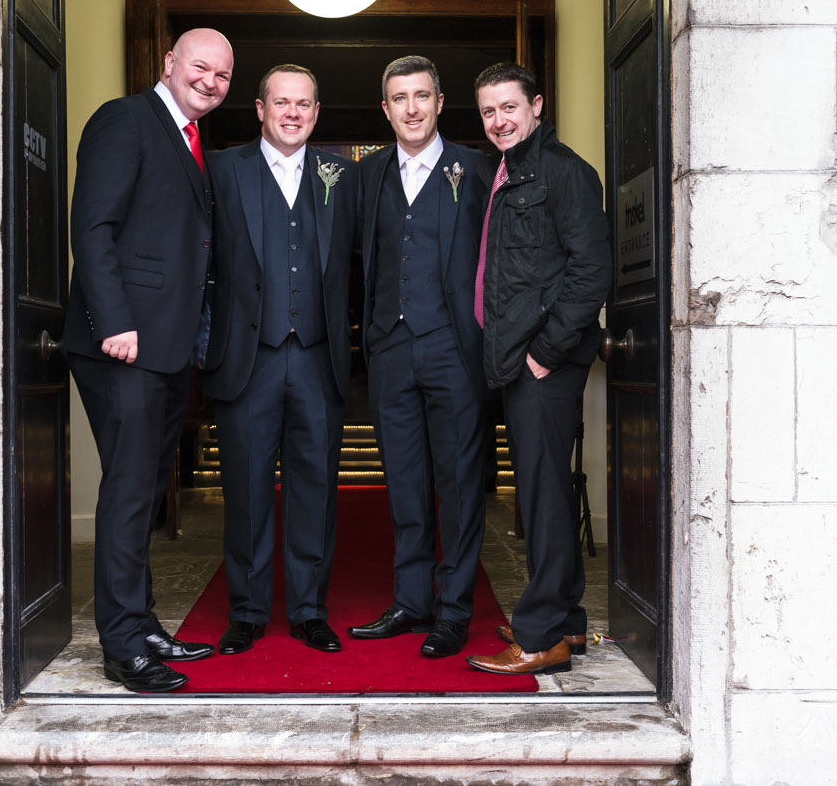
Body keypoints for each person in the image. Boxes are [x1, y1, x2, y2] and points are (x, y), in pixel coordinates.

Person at [60, 28, 233, 693]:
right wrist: (115, 322)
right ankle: (124, 647)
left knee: (146, 489)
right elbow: (92, 226)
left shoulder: (189, 139)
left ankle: (143, 622)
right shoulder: (125, 120)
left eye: (222, 75)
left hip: (166, 347)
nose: (210, 81)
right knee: (130, 492)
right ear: (169, 63)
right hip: (123, 344)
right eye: (200, 67)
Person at [199, 64, 360, 657]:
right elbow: (198, 256)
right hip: (247, 358)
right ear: (260, 109)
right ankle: (246, 612)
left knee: (315, 490)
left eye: (304, 104)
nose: (293, 113)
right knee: (245, 490)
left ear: (316, 113)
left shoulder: (344, 175)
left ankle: (309, 610)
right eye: (282, 102)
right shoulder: (221, 170)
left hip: (317, 359)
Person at [464, 61, 611, 677]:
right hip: (517, 359)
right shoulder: (508, 169)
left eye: (509, 107)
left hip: (542, 362)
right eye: (489, 111)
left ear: (536, 106)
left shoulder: (564, 172)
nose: (499, 120)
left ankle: (540, 638)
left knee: (543, 499)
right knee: (545, 490)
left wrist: (545, 353)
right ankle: (568, 623)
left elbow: (592, 271)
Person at [346, 55, 490, 659]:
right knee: (404, 483)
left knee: (458, 484)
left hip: (455, 348)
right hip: (390, 349)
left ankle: (453, 610)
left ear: (439, 102)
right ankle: (411, 601)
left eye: (422, 96)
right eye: (400, 98)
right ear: (386, 109)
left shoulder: (476, 169)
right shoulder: (366, 174)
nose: (412, 108)